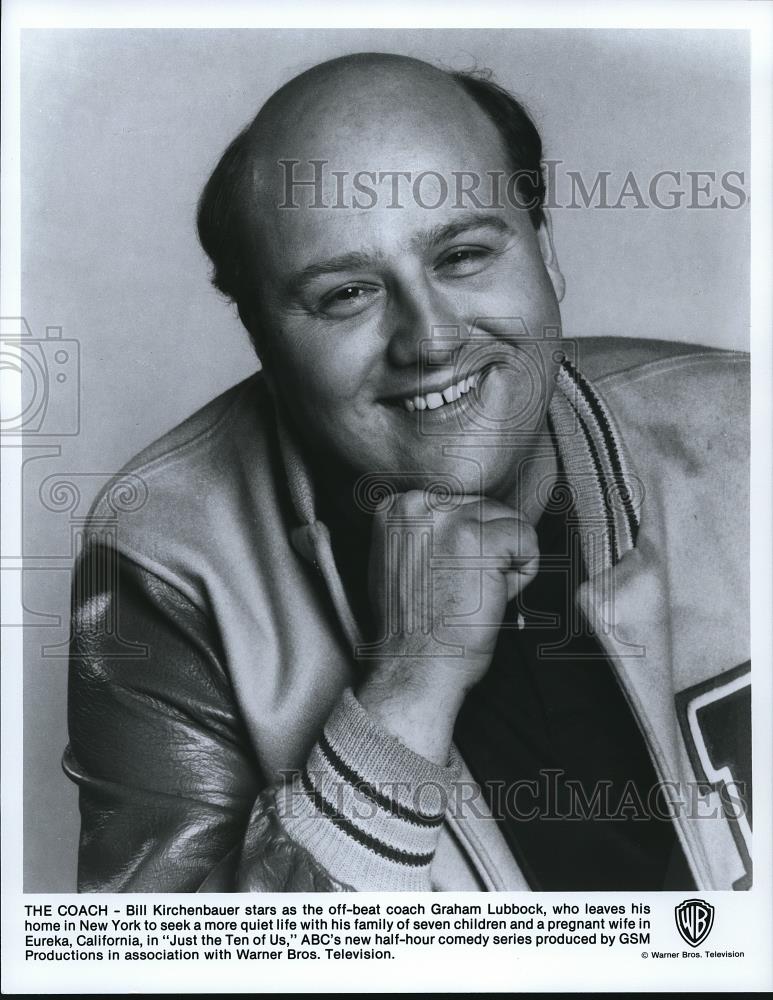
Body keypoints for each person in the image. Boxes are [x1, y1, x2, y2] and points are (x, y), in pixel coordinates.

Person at [63, 52, 751, 893]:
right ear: (262, 341)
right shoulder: (165, 557)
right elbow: (157, 976)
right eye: (347, 294)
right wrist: (412, 677)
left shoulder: (742, 434)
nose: (428, 338)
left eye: (462, 255)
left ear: (544, 254)